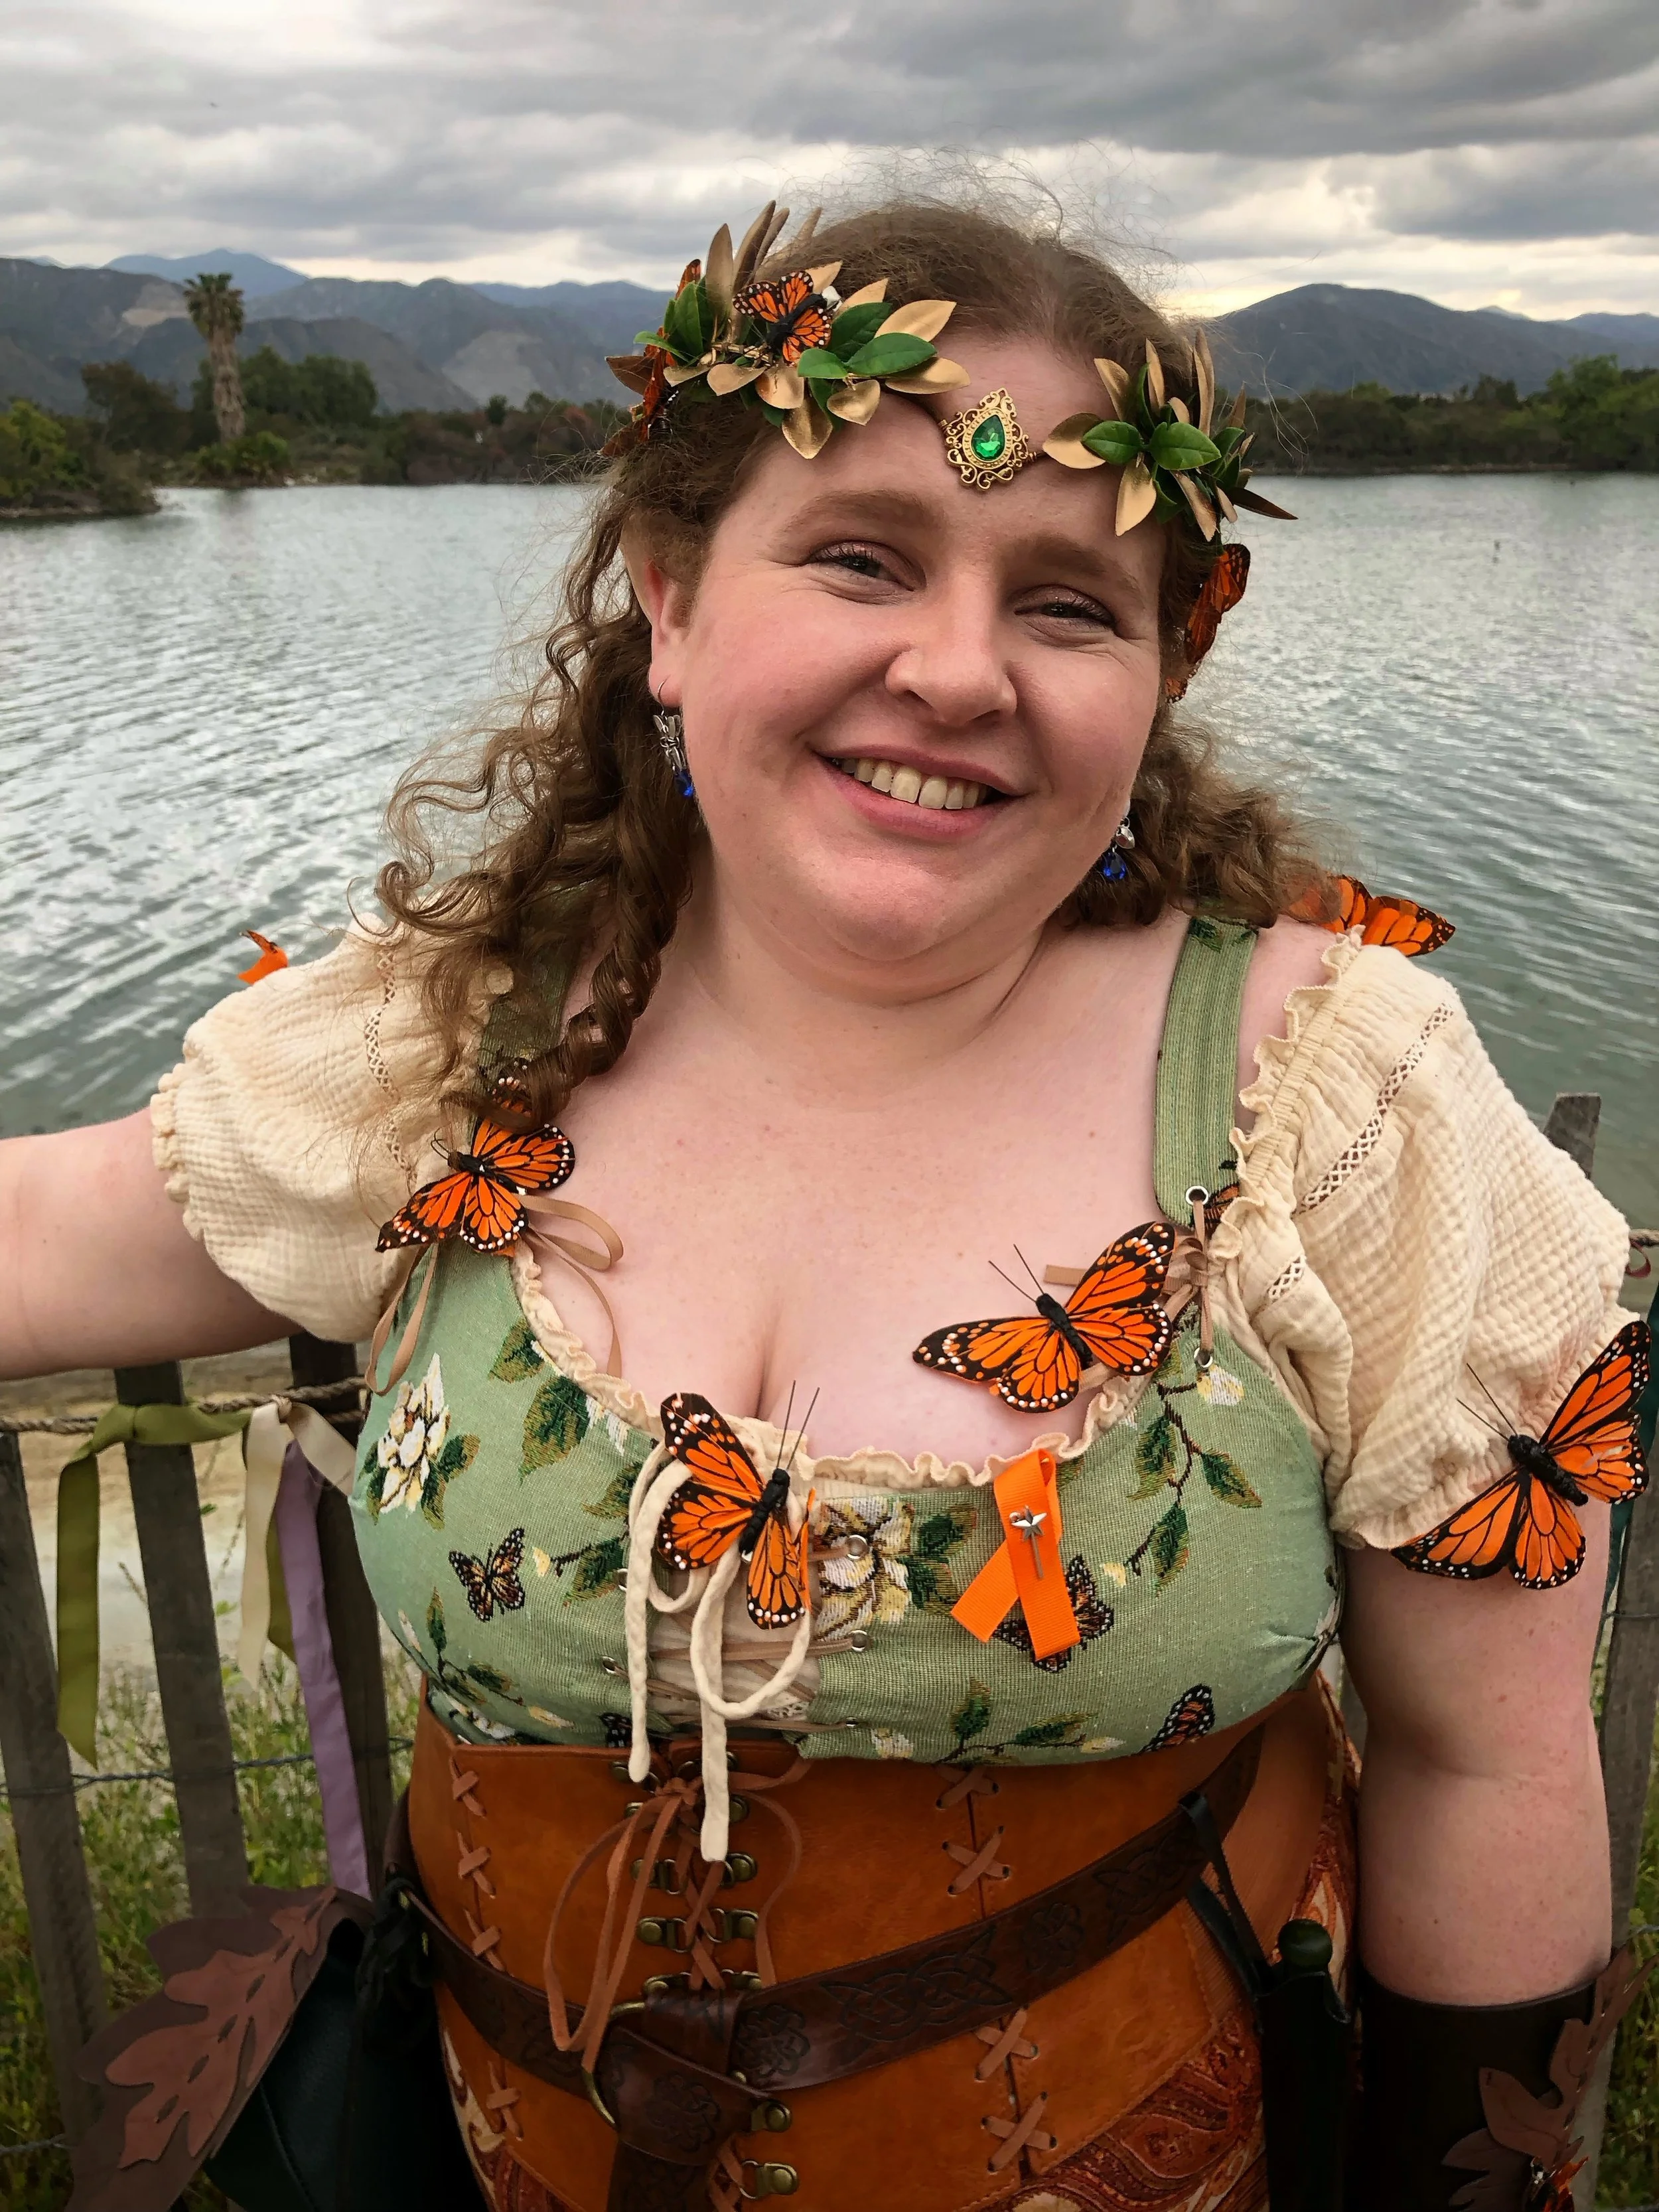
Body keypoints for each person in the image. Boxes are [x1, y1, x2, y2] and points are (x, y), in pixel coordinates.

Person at [5, 195, 1643, 2212]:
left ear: (1162, 667)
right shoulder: (448, 1053)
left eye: (1067, 603)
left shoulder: (1331, 1094)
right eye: (863, 556)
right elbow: (38, 1242)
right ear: (670, 596)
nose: (954, 669)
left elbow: (1488, 1760)